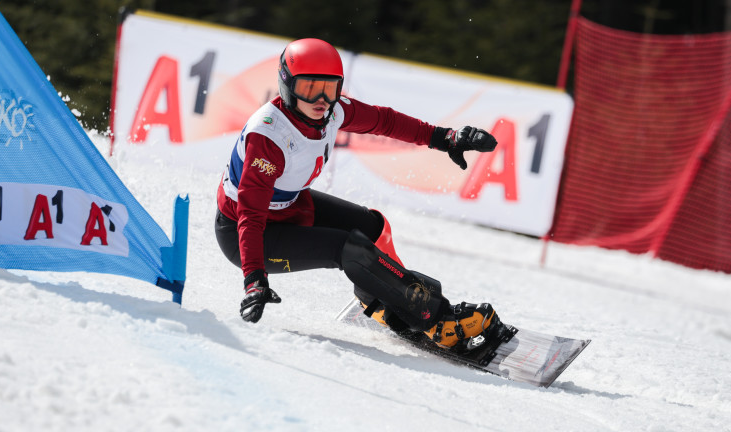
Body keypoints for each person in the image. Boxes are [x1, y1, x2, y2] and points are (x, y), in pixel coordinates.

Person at [215, 38, 512, 354]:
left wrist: (445, 138)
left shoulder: (333, 112)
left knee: (372, 228)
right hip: (247, 236)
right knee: (348, 248)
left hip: (288, 207)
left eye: (330, 89)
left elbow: (385, 121)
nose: (321, 100)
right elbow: (251, 215)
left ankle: (388, 303)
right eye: (309, 88)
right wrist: (254, 280)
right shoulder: (269, 137)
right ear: (287, 85)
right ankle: (437, 320)